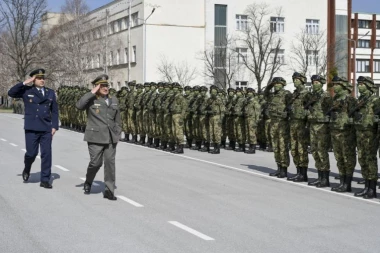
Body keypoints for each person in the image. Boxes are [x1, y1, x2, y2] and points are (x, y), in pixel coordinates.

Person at [8, 68, 59, 189]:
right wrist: (24, 82)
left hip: (46, 128)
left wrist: (54, 126)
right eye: (39, 78)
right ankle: (27, 168)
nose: (42, 80)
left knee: (46, 154)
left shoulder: (50, 92)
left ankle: (45, 179)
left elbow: (55, 111)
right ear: (33, 79)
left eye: (43, 78)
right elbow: (11, 93)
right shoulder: (27, 90)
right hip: (32, 128)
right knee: (31, 153)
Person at [76, 74, 121, 201]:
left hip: (111, 137)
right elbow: (79, 105)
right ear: (97, 87)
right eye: (102, 86)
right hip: (95, 136)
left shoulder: (114, 100)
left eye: (107, 85)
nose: (105, 88)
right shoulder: (91, 99)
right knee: (95, 163)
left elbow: (118, 119)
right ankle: (88, 181)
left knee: (110, 164)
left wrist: (118, 131)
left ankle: (109, 190)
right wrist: (92, 92)